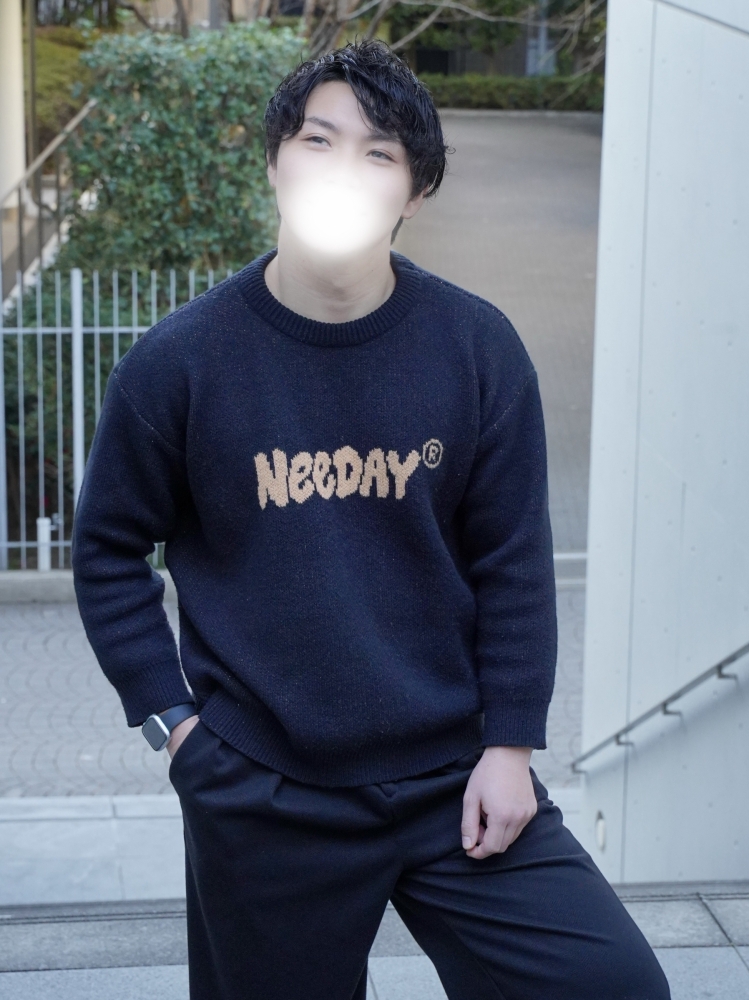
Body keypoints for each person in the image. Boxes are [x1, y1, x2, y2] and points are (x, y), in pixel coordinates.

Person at [72, 39, 670, 1000]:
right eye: (318, 139)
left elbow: (513, 560)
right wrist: (176, 728)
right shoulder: (180, 362)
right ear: (276, 161)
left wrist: (510, 745)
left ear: (414, 193)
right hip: (265, 787)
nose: (342, 168)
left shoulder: (474, 347)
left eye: (379, 152)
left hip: (455, 776)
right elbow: (107, 547)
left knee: (608, 985)